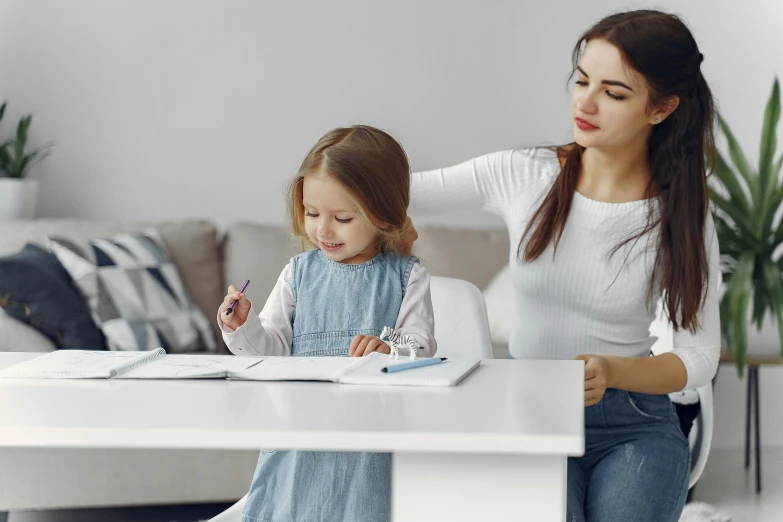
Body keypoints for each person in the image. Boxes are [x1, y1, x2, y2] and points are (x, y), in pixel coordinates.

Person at [408, 9, 720, 522]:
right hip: (527, 410)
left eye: (614, 93)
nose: (585, 102)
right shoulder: (521, 175)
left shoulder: (680, 211)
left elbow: (701, 355)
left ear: (660, 108)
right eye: (581, 80)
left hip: (634, 423)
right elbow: (397, 193)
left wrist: (614, 370)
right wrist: (334, 173)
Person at [218, 125, 436, 522]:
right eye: (312, 213)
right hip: (300, 439)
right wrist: (242, 326)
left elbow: (422, 346)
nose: (323, 229)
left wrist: (389, 350)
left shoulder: (407, 275)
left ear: (383, 214)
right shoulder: (298, 272)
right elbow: (269, 349)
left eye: (343, 217)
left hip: (370, 447)